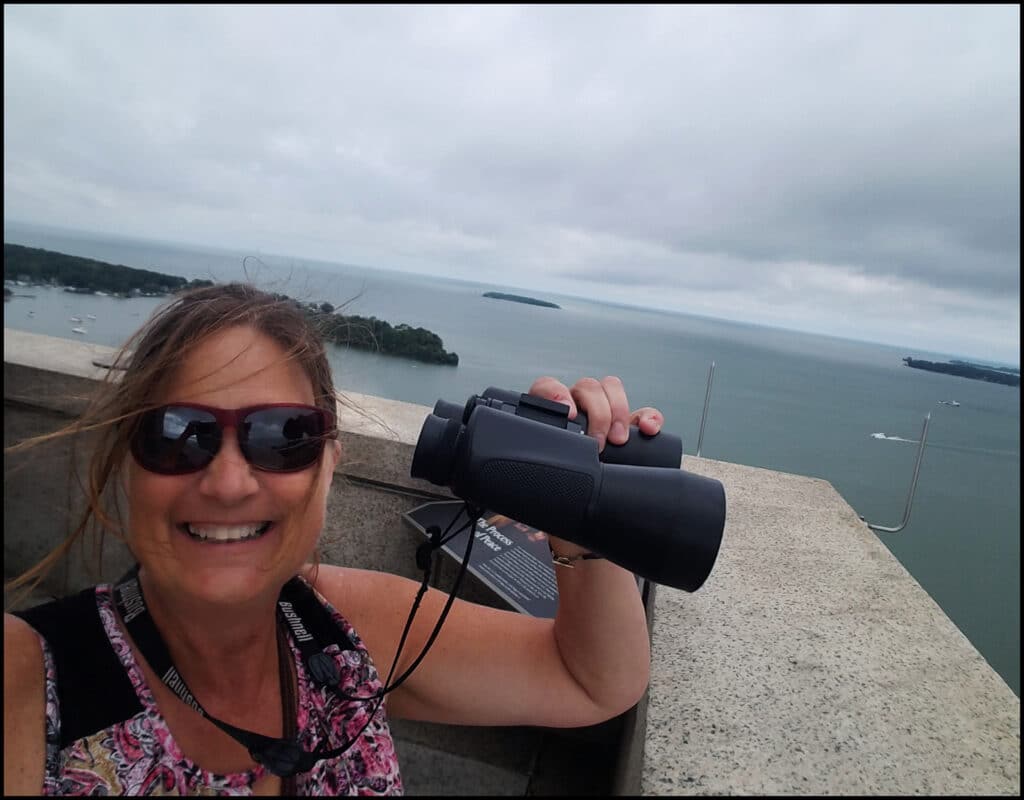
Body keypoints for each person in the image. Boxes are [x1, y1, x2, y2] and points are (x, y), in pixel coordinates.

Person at [3, 283, 664, 796]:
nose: (229, 481)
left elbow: (590, 682)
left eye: (282, 437)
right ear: (125, 458)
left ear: (330, 462)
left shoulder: (346, 632)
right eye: (179, 434)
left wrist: (583, 510)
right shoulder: (30, 678)